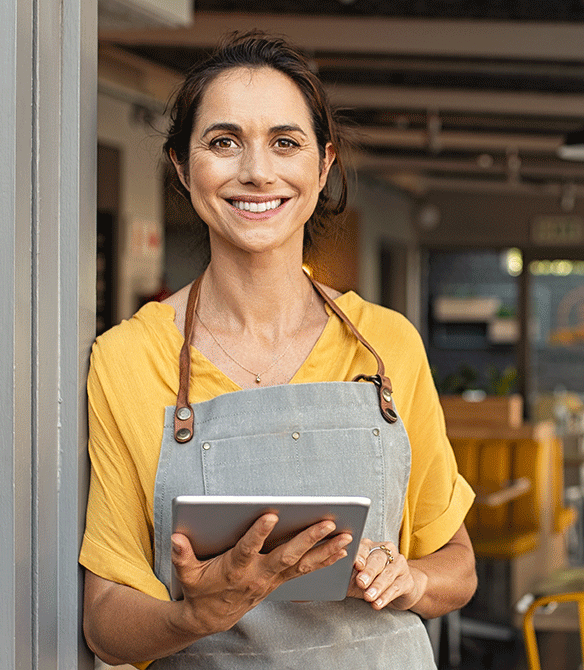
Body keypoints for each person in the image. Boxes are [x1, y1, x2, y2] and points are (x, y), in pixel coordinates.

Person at [79, 32, 475, 669]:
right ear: (182, 167)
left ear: (321, 167)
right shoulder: (130, 357)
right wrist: (195, 614)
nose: (257, 171)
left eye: (285, 142)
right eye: (224, 141)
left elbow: (457, 564)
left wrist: (412, 581)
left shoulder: (384, 347)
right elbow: (104, 620)